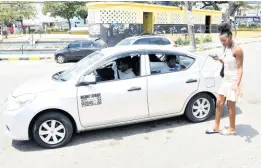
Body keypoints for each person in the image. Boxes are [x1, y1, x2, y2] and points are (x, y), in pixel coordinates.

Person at [206, 22, 244, 135]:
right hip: (225, 80)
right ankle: (216, 126)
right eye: (221, 41)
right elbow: (227, 61)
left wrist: (237, 84)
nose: (223, 43)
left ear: (230, 37)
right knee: (219, 102)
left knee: (230, 106)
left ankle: (232, 129)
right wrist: (218, 59)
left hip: (233, 80)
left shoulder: (237, 50)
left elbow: (240, 68)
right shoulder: (225, 48)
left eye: (225, 40)